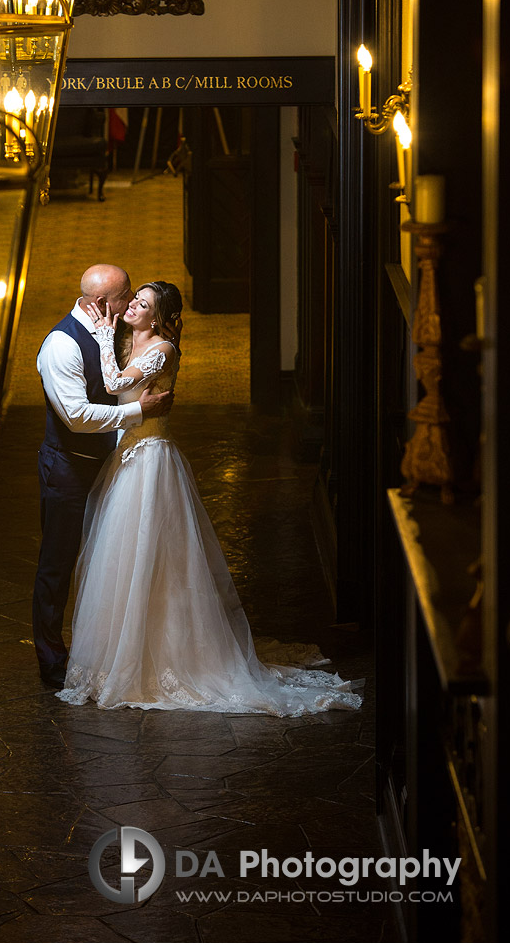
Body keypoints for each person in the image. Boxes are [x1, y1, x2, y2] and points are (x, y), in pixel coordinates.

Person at [56, 281, 363, 715]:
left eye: (142, 304)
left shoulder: (162, 350)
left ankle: (167, 655)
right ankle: (125, 650)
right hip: (127, 457)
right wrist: (112, 337)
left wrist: (104, 335)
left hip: (150, 462)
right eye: (135, 300)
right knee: (124, 560)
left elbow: (111, 384)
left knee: (155, 557)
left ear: (158, 317)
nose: (132, 308)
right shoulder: (130, 339)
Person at [34, 264, 174, 688]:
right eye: (125, 295)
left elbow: (147, 364)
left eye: (136, 296)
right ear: (99, 303)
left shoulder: (116, 329)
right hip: (68, 467)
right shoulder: (61, 345)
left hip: (117, 463)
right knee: (58, 564)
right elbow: (76, 415)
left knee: (115, 559)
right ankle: (52, 659)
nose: (130, 302)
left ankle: (115, 649)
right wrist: (138, 413)